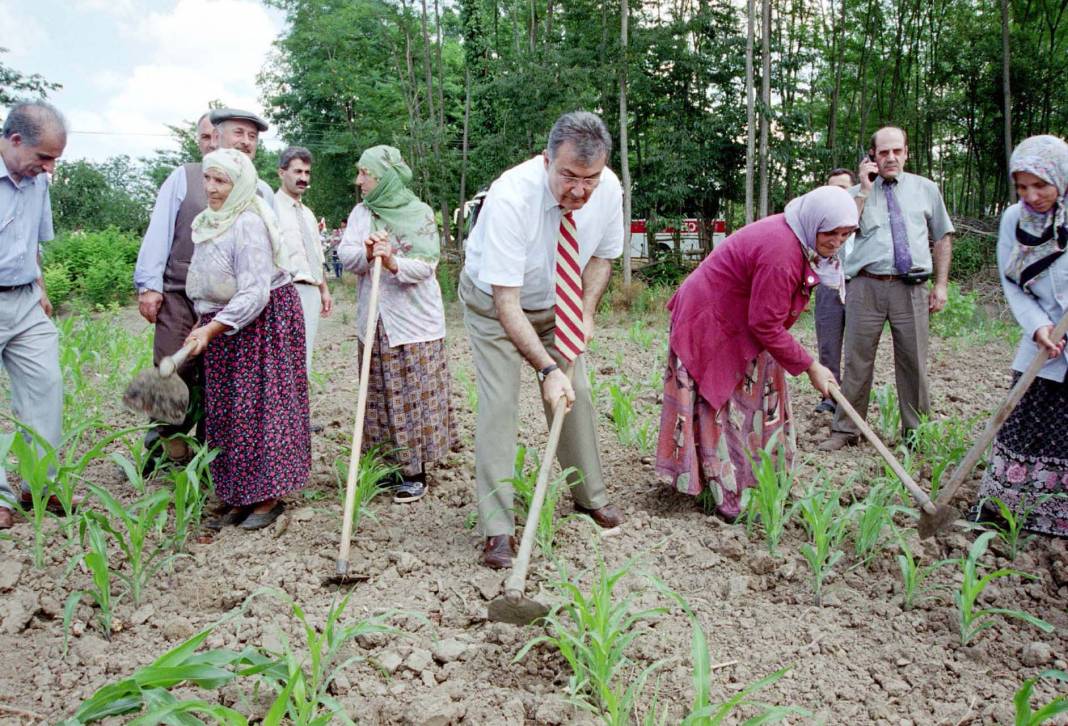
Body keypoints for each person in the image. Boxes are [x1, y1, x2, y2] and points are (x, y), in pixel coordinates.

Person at [460, 111, 625, 569]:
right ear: (547, 159)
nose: (579, 190)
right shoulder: (512, 197)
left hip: (561, 302)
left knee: (578, 396)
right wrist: (547, 369)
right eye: (568, 176)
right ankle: (497, 528)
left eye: (589, 178)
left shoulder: (608, 189)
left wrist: (586, 313)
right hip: (494, 305)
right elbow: (507, 304)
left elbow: (602, 259)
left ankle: (589, 496)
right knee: (499, 405)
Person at [656, 187, 855, 520]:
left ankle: (761, 482)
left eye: (846, 233)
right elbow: (765, 324)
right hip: (710, 319)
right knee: (719, 401)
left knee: (761, 394)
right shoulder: (783, 252)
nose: (837, 241)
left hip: (739, 317)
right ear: (813, 222)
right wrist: (811, 366)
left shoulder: (800, 241)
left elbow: (766, 319)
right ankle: (729, 495)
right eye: (830, 232)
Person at [134, 107, 274, 467]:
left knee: (221, 381)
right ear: (216, 136)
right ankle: (163, 446)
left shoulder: (261, 191)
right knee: (172, 368)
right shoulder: (185, 177)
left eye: (252, 137)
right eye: (238, 133)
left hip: (232, 307)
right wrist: (149, 285)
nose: (245, 142)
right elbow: (159, 232)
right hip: (180, 294)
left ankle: (211, 458)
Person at [183, 149, 309, 530]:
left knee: (260, 409)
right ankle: (239, 495)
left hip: (261, 323)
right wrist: (202, 321)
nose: (211, 188)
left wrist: (211, 326)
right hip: (223, 323)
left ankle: (266, 498)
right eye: (208, 178)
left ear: (239, 184)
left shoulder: (248, 222)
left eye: (220, 181)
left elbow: (255, 293)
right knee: (228, 411)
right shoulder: (208, 221)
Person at [821, 126, 954, 450]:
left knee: (914, 362)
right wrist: (864, 191)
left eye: (897, 151)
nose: (890, 158)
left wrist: (940, 285)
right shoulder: (853, 196)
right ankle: (845, 430)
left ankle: (916, 435)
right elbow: (841, 239)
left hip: (912, 288)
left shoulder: (926, 189)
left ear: (907, 152)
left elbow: (943, 236)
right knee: (856, 361)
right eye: (883, 153)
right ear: (872, 156)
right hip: (866, 286)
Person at [338, 145, 454, 504]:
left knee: (411, 393)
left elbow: (426, 265)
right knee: (379, 395)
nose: (359, 181)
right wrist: (367, 252)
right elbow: (345, 254)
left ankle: (415, 470)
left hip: (412, 322)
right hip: (374, 319)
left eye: (365, 173)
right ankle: (388, 465)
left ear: (384, 176)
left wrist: (391, 261)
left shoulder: (418, 213)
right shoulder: (363, 212)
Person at [974, 135, 1068, 536]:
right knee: (1023, 423)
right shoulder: (1015, 218)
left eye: (1041, 185)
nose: (1032, 196)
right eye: (1022, 186)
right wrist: (1038, 326)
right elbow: (1011, 283)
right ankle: (1006, 513)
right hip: (1041, 338)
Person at [0, 101, 72, 530]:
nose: (48, 168)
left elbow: (33, 243)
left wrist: (41, 289)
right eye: (44, 157)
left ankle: (38, 484)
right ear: (13, 141)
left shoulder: (38, 183)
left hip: (25, 298)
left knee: (46, 386)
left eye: (55, 160)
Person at [275, 146, 332, 373]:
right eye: (297, 172)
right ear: (282, 172)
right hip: (283, 290)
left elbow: (316, 255)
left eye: (307, 173)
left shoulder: (308, 214)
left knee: (304, 357)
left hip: (310, 292)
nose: (303, 178)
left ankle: (300, 406)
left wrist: (324, 289)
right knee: (283, 357)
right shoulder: (271, 207)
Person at [813, 168, 857, 415]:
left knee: (856, 348)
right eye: (833, 189)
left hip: (858, 285)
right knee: (828, 344)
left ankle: (851, 400)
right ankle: (829, 397)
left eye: (843, 188)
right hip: (827, 288)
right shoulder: (819, 224)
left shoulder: (862, 217)